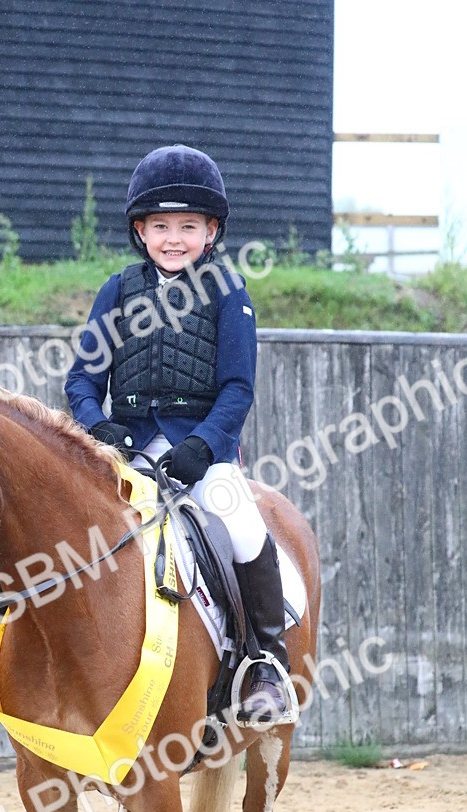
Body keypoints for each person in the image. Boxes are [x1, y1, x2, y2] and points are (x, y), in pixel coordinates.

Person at [63, 143, 291, 724]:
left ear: (210, 232)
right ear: (140, 231)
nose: (173, 238)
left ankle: (266, 662)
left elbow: (238, 389)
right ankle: (16, 641)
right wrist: (98, 427)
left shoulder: (229, 292)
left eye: (188, 226)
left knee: (242, 524)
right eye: (161, 226)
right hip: (125, 449)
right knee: (55, 517)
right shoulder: (117, 291)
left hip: (200, 452)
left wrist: (202, 447)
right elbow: (82, 380)